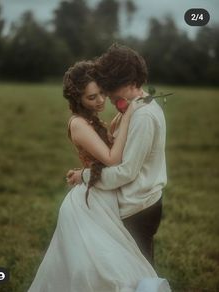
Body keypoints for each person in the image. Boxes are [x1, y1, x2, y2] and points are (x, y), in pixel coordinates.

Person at [28, 60, 170, 291]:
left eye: (102, 93)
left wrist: (123, 118)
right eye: (91, 97)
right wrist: (128, 116)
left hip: (105, 194)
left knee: (124, 265)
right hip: (90, 202)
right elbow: (112, 159)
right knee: (101, 270)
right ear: (78, 100)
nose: (101, 100)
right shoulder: (79, 124)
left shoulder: (95, 119)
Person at [69, 44, 167, 266]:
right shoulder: (136, 109)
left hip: (138, 208)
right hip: (136, 203)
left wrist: (84, 176)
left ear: (132, 83)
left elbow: (125, 172)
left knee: (138, 276)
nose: (109, 95)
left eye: (111, 88)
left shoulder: (143, 116)